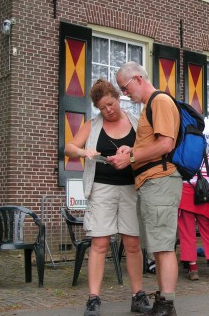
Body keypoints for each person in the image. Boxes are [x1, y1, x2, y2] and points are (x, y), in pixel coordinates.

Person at [64, 79, 150, 316]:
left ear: (118, 98)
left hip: (131, 189)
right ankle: (93, 299)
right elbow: (69, 147)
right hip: (101, 188)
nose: (108, 110)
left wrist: (131, 152)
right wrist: (83, 151)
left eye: (110, 104)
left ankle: (138, 295)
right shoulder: (93, 125)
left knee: (133, 244)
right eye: (103, 107)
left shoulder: (137, 121)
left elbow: (149, 149)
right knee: (100, 243)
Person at [108, 62, 182, 316]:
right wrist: (133, 151)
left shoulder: (159, 101)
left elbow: (165, 145)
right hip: (152, 182)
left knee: (163, 246)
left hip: (159, 181)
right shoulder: (150, 106)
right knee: (158, 247)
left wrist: (130, 158)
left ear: (138, 79)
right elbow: (153, 145)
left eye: (124, 87)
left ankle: (167, 304)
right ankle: (164, 301)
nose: (124, 94)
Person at [178, 153, 209, 281]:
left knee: (187, 234)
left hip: (186, 194)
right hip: (205, 196)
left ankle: (193, 270)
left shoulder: (181, 155)